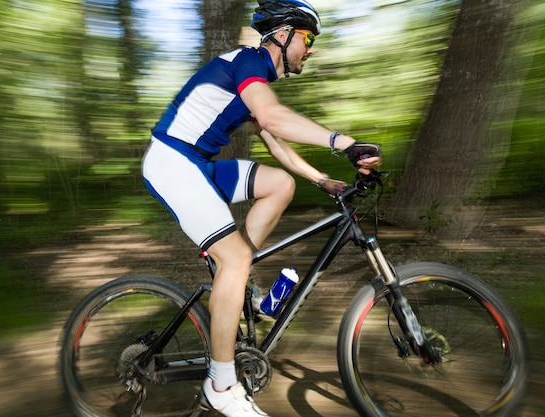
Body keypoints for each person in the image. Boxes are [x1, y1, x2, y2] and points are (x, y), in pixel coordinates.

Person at [142, 1, 381, 416]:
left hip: (195, 164)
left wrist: (320, 180)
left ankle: (239, 286)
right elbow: (272, 118)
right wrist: (344, 143)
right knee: (232, 259)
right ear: (284, 34)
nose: (310, 50)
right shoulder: (248, 61)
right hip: (172, 162)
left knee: (279, 184)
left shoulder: (255, 77)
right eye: (308, 39)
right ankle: (221, 383)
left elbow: (274, 140)